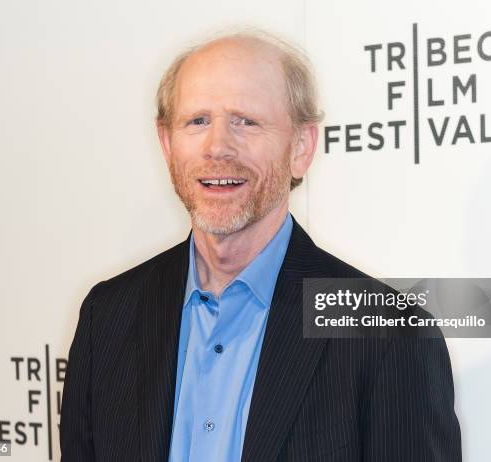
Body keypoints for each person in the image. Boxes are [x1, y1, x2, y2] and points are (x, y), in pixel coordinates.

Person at [60, 30, 462, 461]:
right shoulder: (108, 317)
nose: (217, 147)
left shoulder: (387, 338)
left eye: (246, 121)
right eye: (197, 121)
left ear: (302, 147)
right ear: (167, 144)